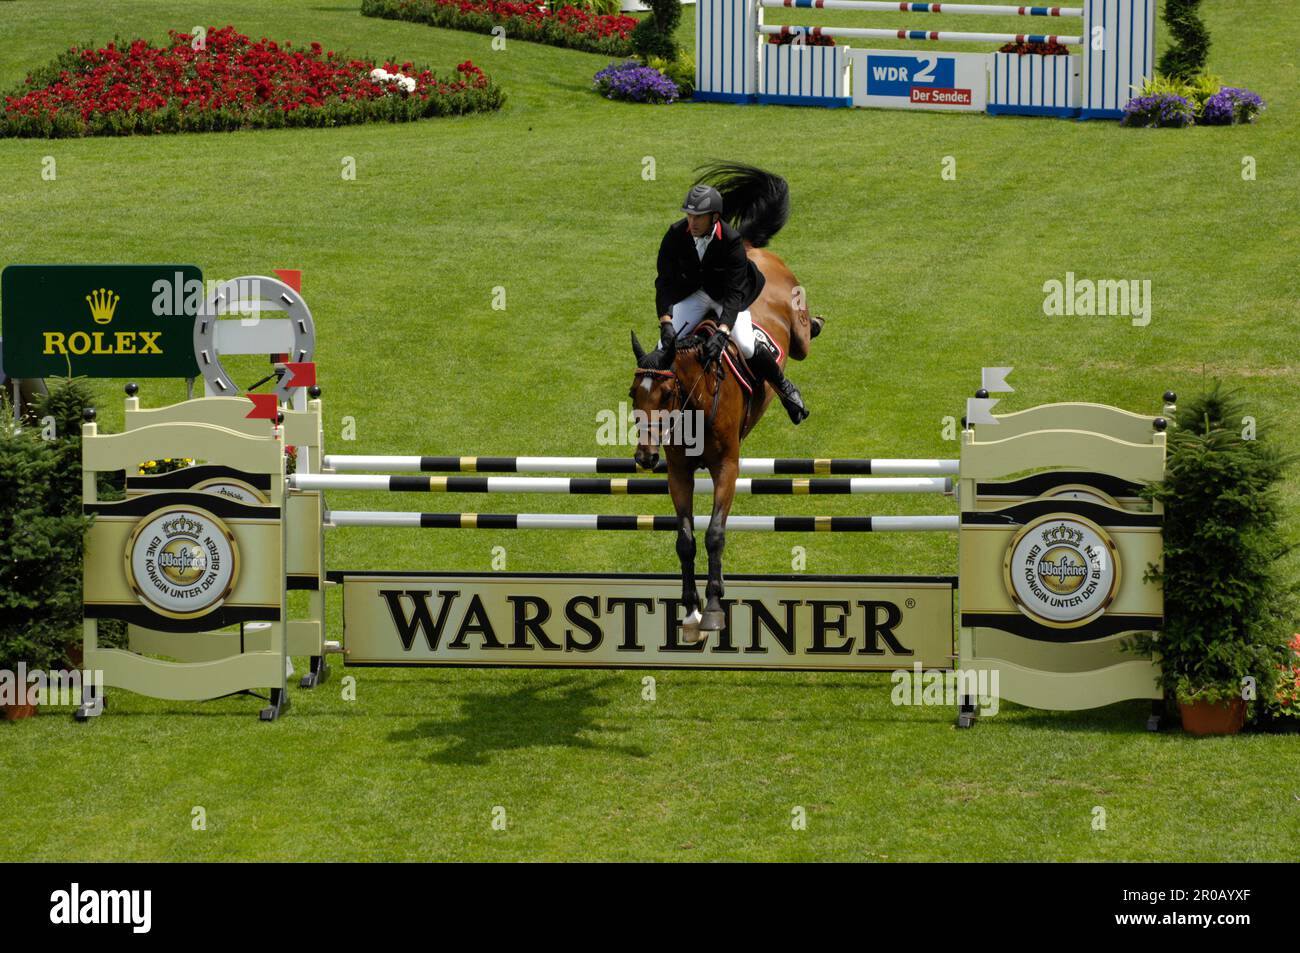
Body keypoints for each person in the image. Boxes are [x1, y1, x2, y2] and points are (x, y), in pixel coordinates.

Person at [644, 183, 808, 424]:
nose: (692, 222)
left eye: (698, 217)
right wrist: (666, 322)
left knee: (746, 344)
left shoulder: (731, 240)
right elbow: (664, 282)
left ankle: (786, 390)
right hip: (695, 294)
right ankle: (657, 412)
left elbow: (734, 294)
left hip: (727, 295)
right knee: (661, 348)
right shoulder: (675, 235)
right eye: (689, 215)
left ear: (715, 217)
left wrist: (722, 331)